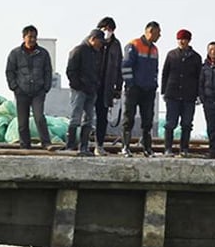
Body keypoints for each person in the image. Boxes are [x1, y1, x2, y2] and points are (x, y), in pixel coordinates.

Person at [5, 25, 53, 149]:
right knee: (22, 121)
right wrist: (14, 87)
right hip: (21, 91)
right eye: (29, 37)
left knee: (39, 118)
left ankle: (46, 143)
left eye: (34, 37)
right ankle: (25, 145)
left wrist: (45, 87)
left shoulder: (43, 53)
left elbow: (48, 71)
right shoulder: (15, 53)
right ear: (24, 37)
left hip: (38, 91)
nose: (32, 40)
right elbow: (9, 71)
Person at [120, 21, 162, 157]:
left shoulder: (155, 49)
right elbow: (126, 65)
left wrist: (154, 84)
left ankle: (147, 147)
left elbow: (155, 70)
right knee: (129, 118)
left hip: (148, 90)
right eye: (158, 33)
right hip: (134, 89)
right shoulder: (134, 45)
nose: (159, 36)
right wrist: (130, 84)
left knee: (148, 120)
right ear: (150, 32)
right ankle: (125, 146)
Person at [161, 29, 202, 157]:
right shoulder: (171, 55)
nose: (181, 41)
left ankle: (184, 149)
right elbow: (165, 74)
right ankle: (168, 148)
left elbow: (199, 77)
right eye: (179, 39)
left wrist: (199, 95)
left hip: (189, 95)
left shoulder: (196, 57)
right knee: (170, 123)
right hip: (172, 94)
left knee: (186, 123)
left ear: (189, 40)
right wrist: (163, 91)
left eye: (184, 39)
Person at [65, 29, 105, 156]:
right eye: (99, 41)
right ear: (93, 39)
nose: (101, 45)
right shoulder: (79, 50)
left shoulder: (97, 53)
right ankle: (71, 145)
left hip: (91, 90)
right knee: (75, 117)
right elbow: (71, 70)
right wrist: (77, 85)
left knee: (88, 119)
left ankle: (84, 146)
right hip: (79, 90)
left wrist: (96, 84)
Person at [94, 16, 123, 156]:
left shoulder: (116, 45)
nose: (107, 31)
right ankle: (81, 144)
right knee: (85, 117)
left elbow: (119, 67)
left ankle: (99, 145)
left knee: (102, 117)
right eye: (105, 29)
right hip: (91, 86)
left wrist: (118, 87)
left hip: (107, 87)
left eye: (110, 29)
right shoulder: (92, 41)